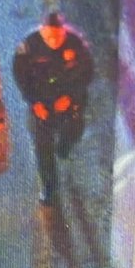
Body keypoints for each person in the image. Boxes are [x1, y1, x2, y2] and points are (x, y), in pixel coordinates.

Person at [12, 10, 94, 206]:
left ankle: (64, 148)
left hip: (69, 102)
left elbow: (88, 74)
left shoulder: (76, 45)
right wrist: (34, 102)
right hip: (43, 104)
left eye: (58, 35)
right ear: (42, 31)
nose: (54, 40)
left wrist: (71, 96)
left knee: (74, 131)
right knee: (42, 146)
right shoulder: (29, 47)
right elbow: (20, 76)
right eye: (49, 36)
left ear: (64, 31)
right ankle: (49, 187)